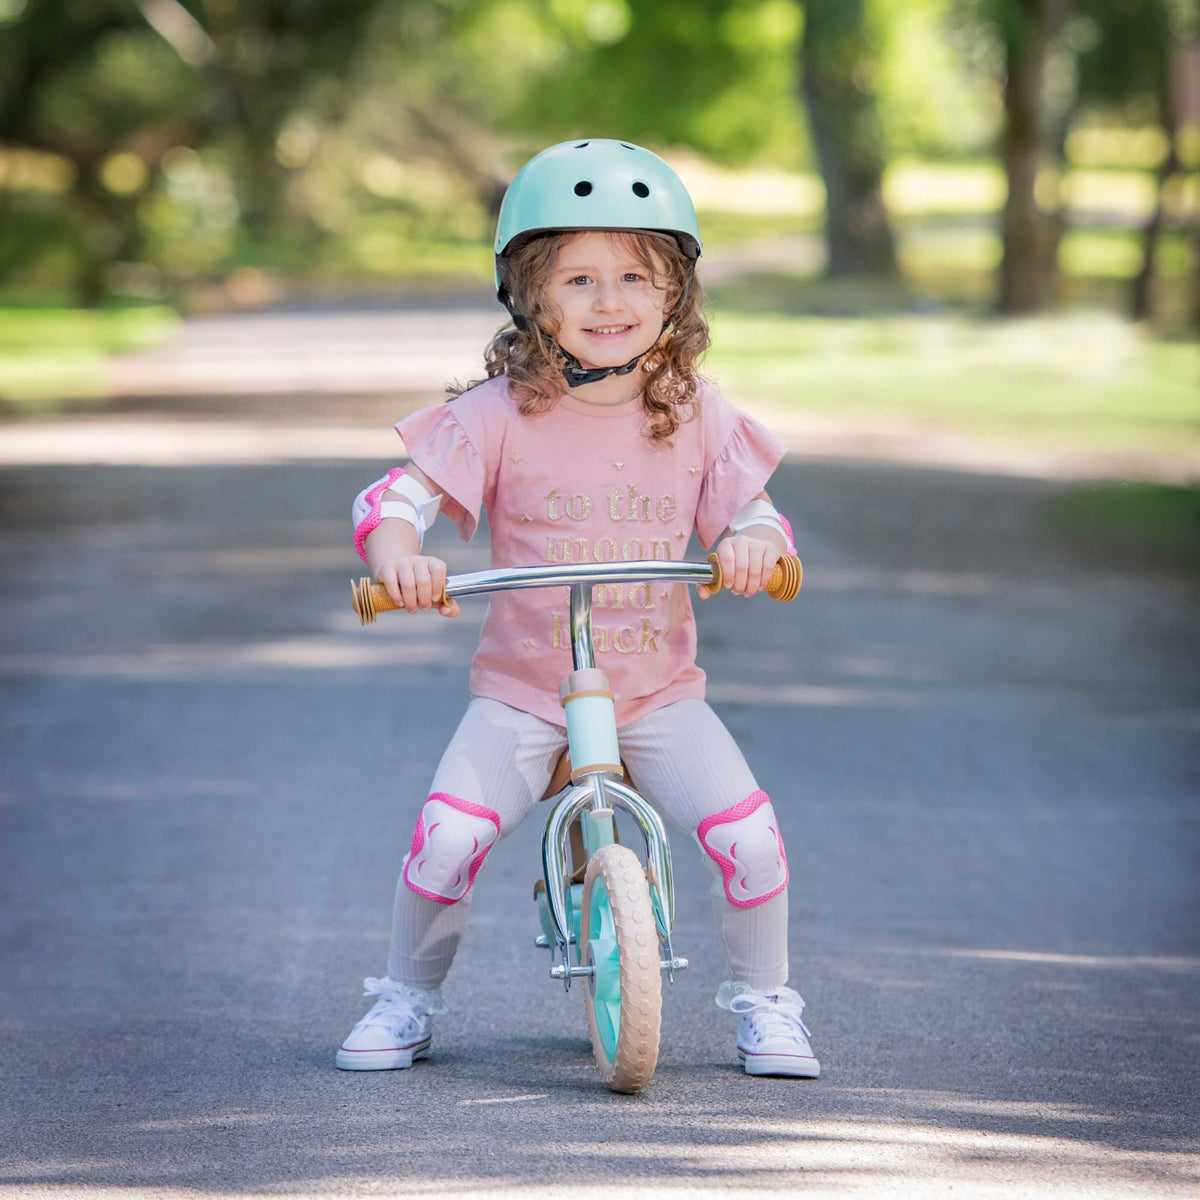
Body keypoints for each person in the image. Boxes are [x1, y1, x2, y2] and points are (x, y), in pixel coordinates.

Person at [337, 138, 819, 1079]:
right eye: (580, 279)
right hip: (523, 690)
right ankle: (406, 995)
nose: (610, 302)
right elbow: (398, 499)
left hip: (656, 693)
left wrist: (755, 544)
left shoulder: (696, 415)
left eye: (636, 276)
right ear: (531, 296)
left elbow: (752, 507)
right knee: (449, 839)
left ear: (675, 292)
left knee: (750, 839)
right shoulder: (498, 412)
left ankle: (768, 1001)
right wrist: (404, 559)